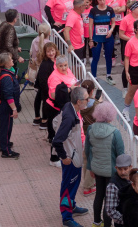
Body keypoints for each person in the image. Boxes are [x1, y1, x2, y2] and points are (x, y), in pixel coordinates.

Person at [53, 86, 91, 227]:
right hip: (71, 158)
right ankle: (67, 217)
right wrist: (64, 157)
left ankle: (72, 206)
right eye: (86, 98)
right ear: (79, 101)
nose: (88, 100)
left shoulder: (70, 107)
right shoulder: (70, 117)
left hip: (74, 155)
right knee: (68, 186)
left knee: (73, 185)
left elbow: (55, 122)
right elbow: (57, 140)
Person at [85, 103, 126, 227]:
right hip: (111, 172)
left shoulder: (90, 129)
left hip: (97, 169)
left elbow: (87, 151)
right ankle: (107, 224)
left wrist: (90, 168)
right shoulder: (115, 133)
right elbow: (121, 155)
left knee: (99, 195)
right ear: (110, 116)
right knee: (109, 200)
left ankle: (96, 222)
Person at [0, 53, 20, 159]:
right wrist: (14, 109)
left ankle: (4, 143)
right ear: (6, 63)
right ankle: (6, 150)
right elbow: (9, 96)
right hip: (6, 107)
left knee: (4, 126)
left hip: (1, 105)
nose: (13, 60)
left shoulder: (2, 72)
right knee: (6, 127)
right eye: (11, 59)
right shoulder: (7, 77)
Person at [103, 154, 133, 227]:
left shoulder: (134, 179)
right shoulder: (112, 186)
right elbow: (110, 210)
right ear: (116, 168)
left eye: (125, 169)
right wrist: (126, 220)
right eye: (120, 169)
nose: (123, 172)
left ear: (130, 167)